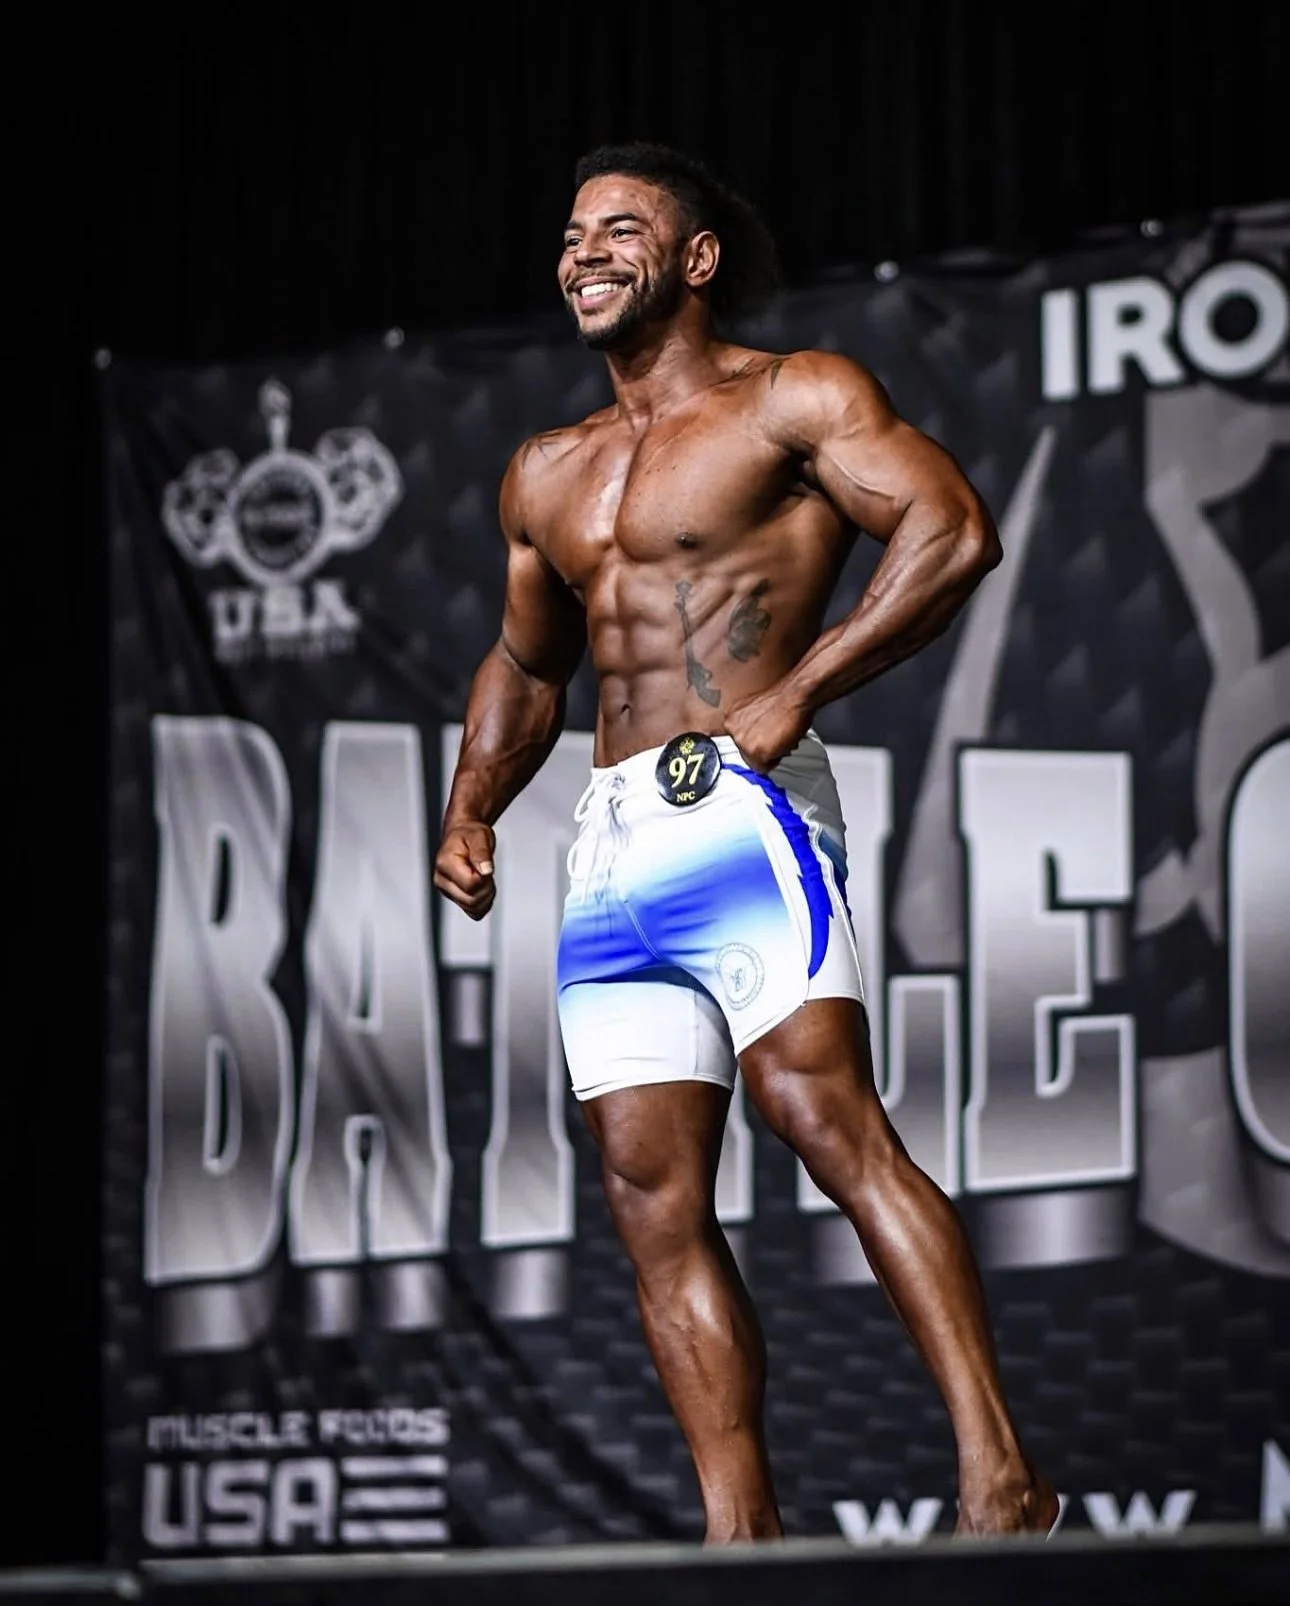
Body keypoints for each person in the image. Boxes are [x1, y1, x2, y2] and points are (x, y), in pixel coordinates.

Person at [434, 141, 1057, 1544]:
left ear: (696, 259)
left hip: (741, 802)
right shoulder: (548, 470)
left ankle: (1000, 1475)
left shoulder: (792, 399)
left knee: (823, 1116)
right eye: (572, 234)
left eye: (621, 228)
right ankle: (741, 1536)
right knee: (649, 1196)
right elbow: (527, 665)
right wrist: (470, 806)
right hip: (609, 844)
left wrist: (799, 689)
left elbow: (950, 528)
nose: (585, 252)